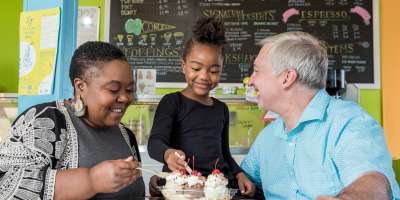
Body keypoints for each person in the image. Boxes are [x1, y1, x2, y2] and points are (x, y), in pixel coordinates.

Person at [240, 31, 400, 200]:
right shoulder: (268, 137)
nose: (251, 80)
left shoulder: (349, 123)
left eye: (257, 71)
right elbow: (243, 181)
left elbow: (373, 183)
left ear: (287, 78)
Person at [0, 41, 145, 200]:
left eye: (130, 89)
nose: (125, 97)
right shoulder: (44, 121)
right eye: (113, 89)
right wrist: (92, 180)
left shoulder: (126, 135)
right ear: (80, 86)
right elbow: (7, 187)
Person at [147, 17, 255, 197]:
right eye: (196, 68)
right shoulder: (172, 102)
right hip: (184, 188)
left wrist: (239, 173)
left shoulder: (221, 109)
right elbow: (155, 143)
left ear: (221, 70)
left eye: (213, 71)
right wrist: (168, 154)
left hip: (218, 187)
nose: (204, 76)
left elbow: (225, 154)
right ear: (183, 66)